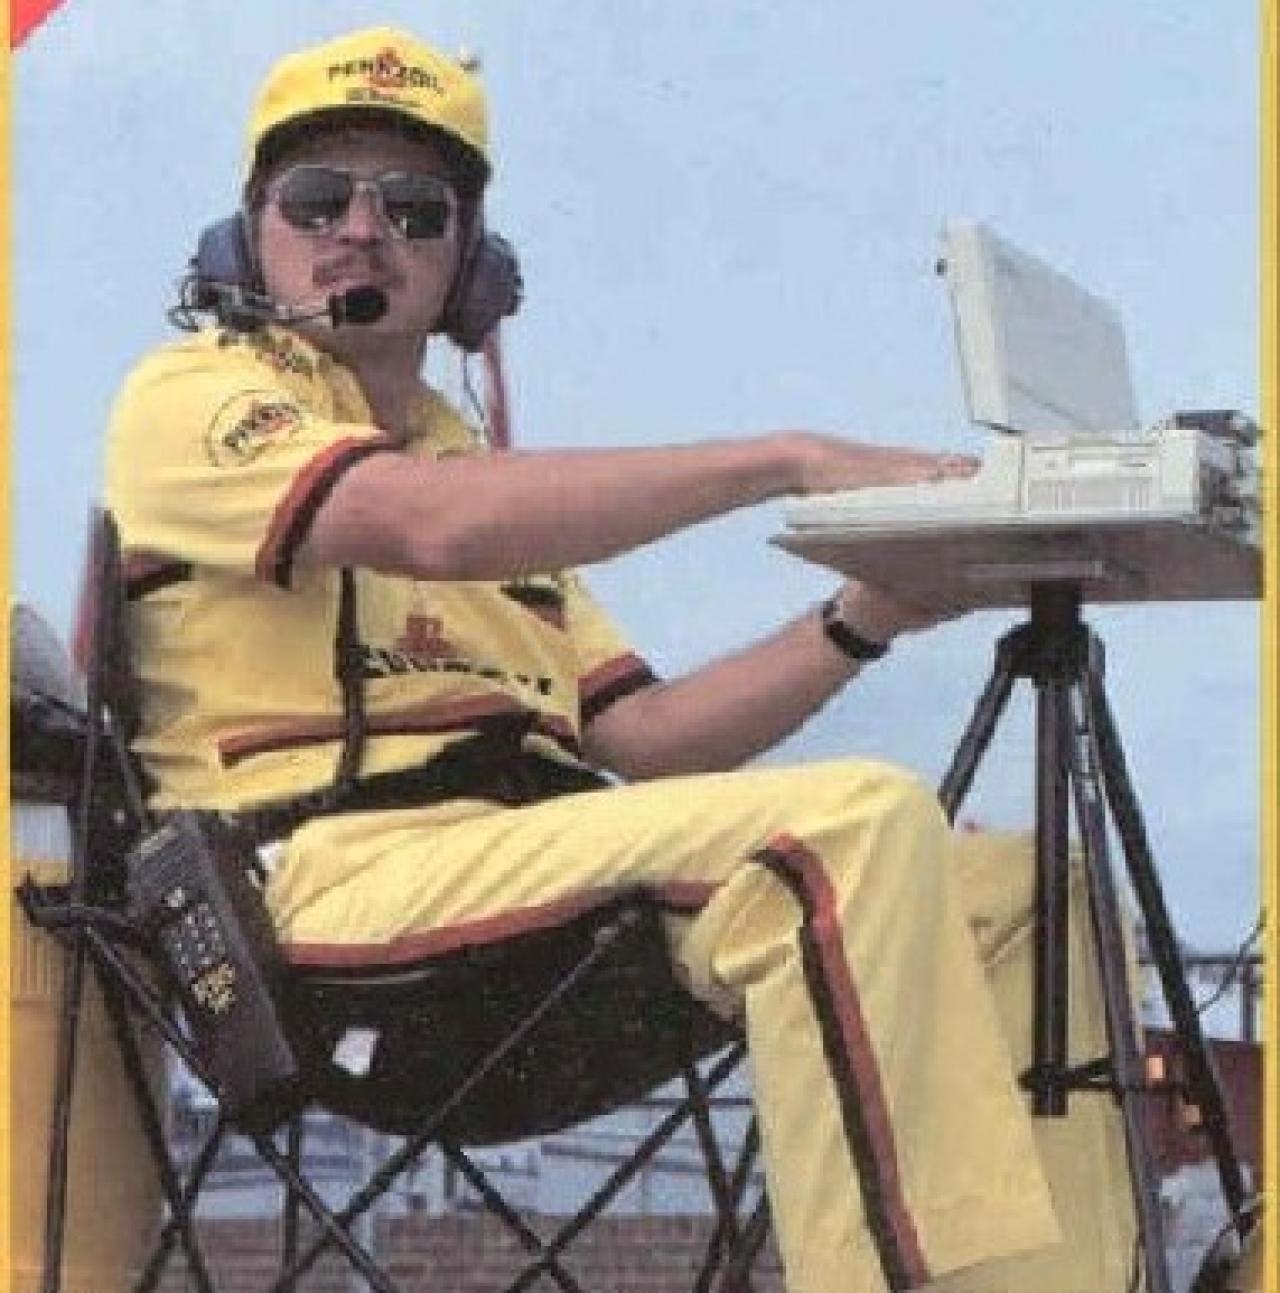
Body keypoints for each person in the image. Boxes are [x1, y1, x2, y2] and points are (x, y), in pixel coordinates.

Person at [105, 27, 1070, 1293]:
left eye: (413, 208)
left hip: (542, 918)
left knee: (1021, 891)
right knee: (855, 822)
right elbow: (422, 524)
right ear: (248, 236)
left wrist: (867, 614)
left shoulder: (485, 482)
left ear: (469, 265)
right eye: (317, 197)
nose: (361, 230)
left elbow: (645, 741)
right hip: (326, 904)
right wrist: (782, 461)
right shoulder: (190, 397)